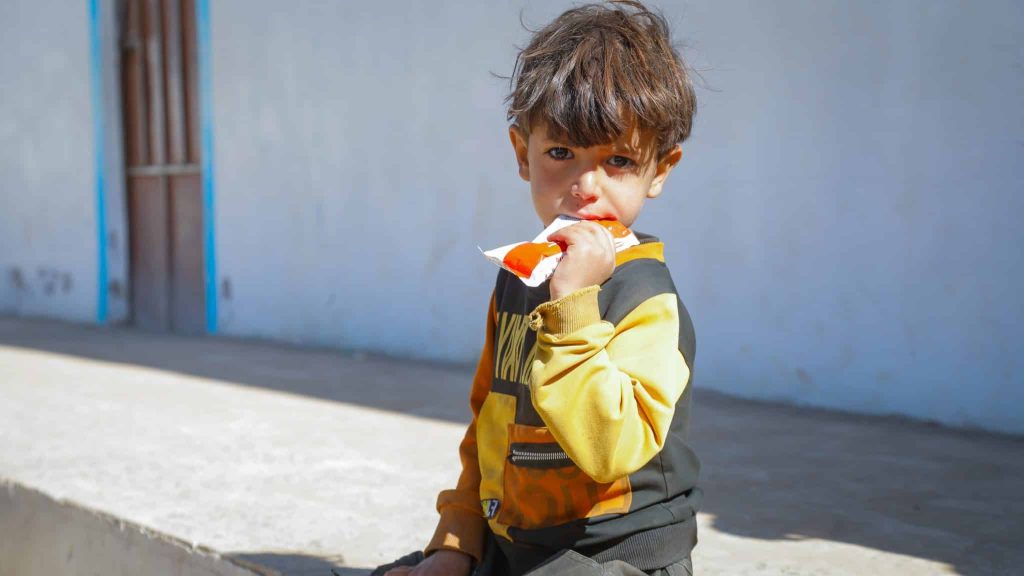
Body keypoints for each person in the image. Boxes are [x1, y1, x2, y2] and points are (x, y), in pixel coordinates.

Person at [379, 2, 700, 574]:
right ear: (521, 153)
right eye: (560, 153)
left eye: (619, 160)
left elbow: (611, 449)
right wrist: (456, 542)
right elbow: (489, 422)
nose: (585, 186)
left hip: (615, 553)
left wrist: (573, 309)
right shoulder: (520, 276)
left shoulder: (646, 295)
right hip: (520, 543)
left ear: (660, 169)